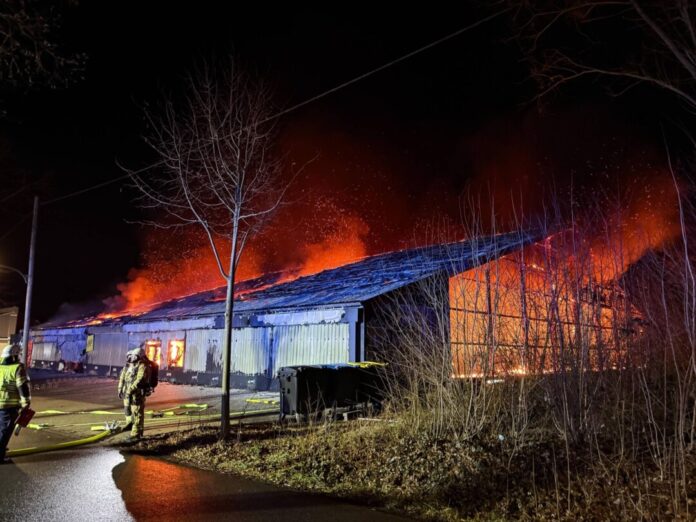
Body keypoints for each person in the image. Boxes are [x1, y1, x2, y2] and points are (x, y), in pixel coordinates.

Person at [0, 344, 31, 463]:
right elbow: (22, 386)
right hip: (8, 406)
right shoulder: (17, 368)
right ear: (15, 355)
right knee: (4, 432)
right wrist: (26, 403)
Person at [117, 346, 150, 442]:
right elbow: (124, 377)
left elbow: (139, 380)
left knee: (137, 414)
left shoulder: (143, 366)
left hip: (137, 394)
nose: (132, 358)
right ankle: (135, 430)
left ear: (140, 356)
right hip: (129, 393)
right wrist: (121, 389)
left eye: (135, 356)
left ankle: (135, 435)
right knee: (130, 411)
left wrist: (130, 390)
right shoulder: (132, 365)